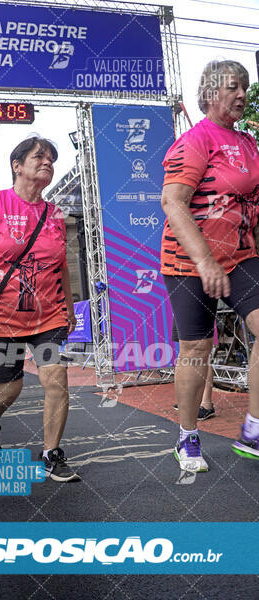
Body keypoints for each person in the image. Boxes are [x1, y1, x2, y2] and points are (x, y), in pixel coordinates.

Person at [0, 136, 80, 482]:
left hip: (48, 314)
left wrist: (68, 309)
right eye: (39, 157)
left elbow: (62, 267)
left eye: (52, 159)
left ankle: (51, 454)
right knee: (9, 389)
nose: (48, 162)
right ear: (17, 165)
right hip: (1, 317)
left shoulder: (54, 214)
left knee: (57, 380)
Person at [160, 60, 259, 472]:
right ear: (211, 92)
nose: (242, 95)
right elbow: (173, 202)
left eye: (246, 88)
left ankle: (253, 429)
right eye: (234, 87)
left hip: (240, 254)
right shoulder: (195, 142)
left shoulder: (250, 144)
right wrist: (204, 261)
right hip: (188, 261)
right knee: (197, 348)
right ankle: (187, 437)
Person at [172, 318, 216, 421]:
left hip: (198, 307)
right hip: (181, 307)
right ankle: (188, 402)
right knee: (186, 349)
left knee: (201, 353)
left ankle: (206, 404)